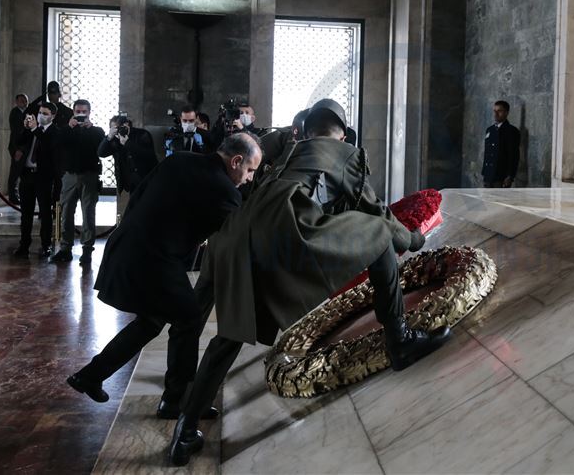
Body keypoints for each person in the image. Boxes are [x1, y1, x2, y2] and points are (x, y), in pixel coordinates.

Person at [167, 99, 449, 466]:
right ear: (344, 134)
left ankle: (185, 431)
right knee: (379, 234)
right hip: (285, 230)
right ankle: (400, 340)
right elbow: (376, 212)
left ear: (307, 128)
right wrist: (413, 239)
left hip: (235, 235)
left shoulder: (291, 150)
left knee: (230, 335)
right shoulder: (347, 154)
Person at [67, 133, 261, 420]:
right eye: (250, 170)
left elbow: (139, 197)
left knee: (152, 321)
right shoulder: (224, 190)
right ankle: (177, 401)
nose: (248, 179)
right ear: (235, 161)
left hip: (127, 246)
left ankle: (90, 376)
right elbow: (240, 237)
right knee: (188, 319)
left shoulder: (180, 160)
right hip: (155, 260)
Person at [50, 100, 105, 266]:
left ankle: (87, 249)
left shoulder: (96, 131)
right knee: (66, 212)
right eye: (78, 111)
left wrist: (89, 129)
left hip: (89, 176)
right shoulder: (66, 130)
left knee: (88, 212)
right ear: (73, 112)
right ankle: (65, 249)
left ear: (89, 113)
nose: (81, 114)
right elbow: (57, 143)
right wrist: (69, 127)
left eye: (84, 111)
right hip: (70, 176)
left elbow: (101, 149)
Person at [12, 102, 60, 258]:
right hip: (27, 175)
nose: (41, 116)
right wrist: (26, 128)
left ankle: (46, 245)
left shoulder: (54, 132)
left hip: (43, 177)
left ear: (52, 116)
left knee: (45, 213)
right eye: (40, 112)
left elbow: (47, 145)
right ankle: (24, 245)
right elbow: (18, 141)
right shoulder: (32, 129)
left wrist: (34, 129)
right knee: (26, 213)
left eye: (45, 113)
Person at [98, 114, 157, 217]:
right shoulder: (114, 139)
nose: (118, 131)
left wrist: (127, 143)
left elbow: (149, 155)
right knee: (133, 213)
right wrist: (109, 137)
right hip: (130, 183)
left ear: (127, 125)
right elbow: (101, 153)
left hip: (145, 180)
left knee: (145, 212)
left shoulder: (142, 134)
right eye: (115, 129)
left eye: (120, 128)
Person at [481, 100, 520, 188]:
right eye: (494, 111)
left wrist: (510, 176)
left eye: (499, 111)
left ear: (506, 113)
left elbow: (513, 155)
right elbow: (487, 153)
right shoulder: (490, 130)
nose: (496, 114)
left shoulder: (512, 131)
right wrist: (484, 173)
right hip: (488, 175)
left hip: (501, 176)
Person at [6, 93, 29, 203]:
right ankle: (13, 196)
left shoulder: (27, 113)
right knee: (15, 172)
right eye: (21, 100)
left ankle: (19, 195)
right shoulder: (15, 113)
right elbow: (16, 133)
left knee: (22, 172)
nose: (24, 102)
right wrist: (18, 149)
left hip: (24, 148)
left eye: (25, 100)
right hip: (17, 148)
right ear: (17, 102)